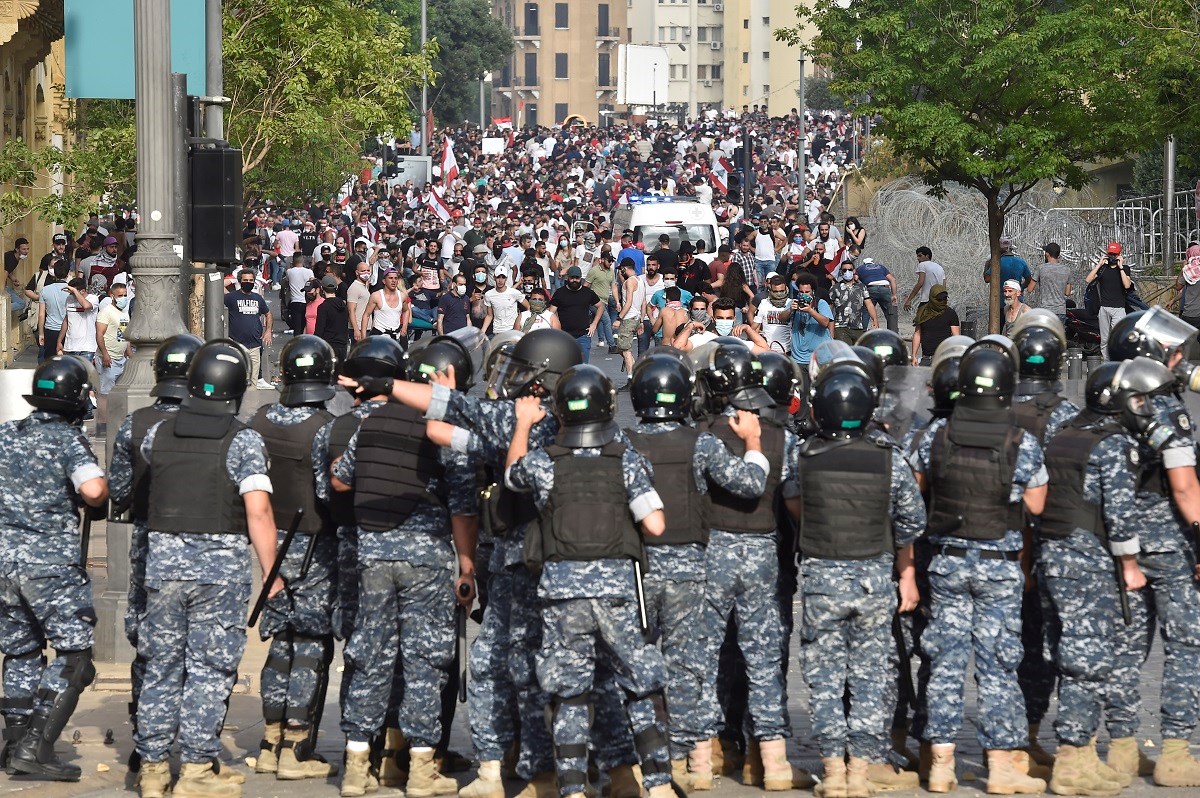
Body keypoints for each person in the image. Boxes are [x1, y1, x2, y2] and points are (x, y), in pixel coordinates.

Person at [506, 365, 676, 798]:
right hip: (618, 589)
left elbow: (512, 476)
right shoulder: (627, 461)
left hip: (562, 593)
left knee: (570, 693)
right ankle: (656, 786)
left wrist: (524, 425)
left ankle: (573, 789)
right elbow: (655, 524)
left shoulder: (545, 463)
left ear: (560, 411)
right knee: (639, 685)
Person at [132, 340, 283, 798]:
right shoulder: (244, 440)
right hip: (220, 574)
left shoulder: (155, 433)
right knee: (208, 669)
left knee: (160, 666)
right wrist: (272, 573)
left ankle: (154, 769)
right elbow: (258, 512)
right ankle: (197, 769)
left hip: (163, 568)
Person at [330, 346, 480, 798]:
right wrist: (467, 563)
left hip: (373, 555)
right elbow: (462, 503)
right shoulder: (442, 430)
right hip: (426, 561)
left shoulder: (370, 424)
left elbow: (340, 479)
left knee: (370, 656)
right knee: (424, 662)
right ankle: (419, 768)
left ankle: (357, 766)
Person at [907, 341, 1048, 795]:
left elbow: (913, 494)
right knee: (999, 667)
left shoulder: (937, 434)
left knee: (944, 664)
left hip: (946, 563)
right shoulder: (1018, 439)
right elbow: (1037, 502)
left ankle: (942, 766)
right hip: (998, 564)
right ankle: (1002, 768)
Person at [624, 354, 770, 789]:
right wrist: (756, 443)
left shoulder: (624, 442)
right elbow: (749, 484)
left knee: (634, 665)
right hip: (688, 568)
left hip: (638, 567)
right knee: (688, 666)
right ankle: (696, 763)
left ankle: (640, 759)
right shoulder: (700, 442)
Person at [788, 364, 925, 798]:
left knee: (825, 679)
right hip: (873, 580)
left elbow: (793, 502)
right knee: (869, 679)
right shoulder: (890, 458)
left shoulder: (803, 456)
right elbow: (911, 522)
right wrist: (906, 574)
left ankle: (832, 772)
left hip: (822, 580)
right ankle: (861, 773)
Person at [692, 342, 813, 791]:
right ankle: (770, 763)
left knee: (711, 655)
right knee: (765, 659)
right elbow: (796, 505)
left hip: (714, 553)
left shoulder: (704, 437)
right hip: (767, 555)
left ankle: (709, 755)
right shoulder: (788, 441)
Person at [1103, 311, 1200, 786]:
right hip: (1170, 545)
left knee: (1128, 646)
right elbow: (1184, 488)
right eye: (1175, 352)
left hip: (1121, 541)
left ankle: (1122, 749)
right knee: (1185, 645)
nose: (1181, 359)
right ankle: (1176, 752)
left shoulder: (1110, 404)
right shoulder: (1165, 408)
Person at [0, 357, 107, 782]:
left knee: (21, 651)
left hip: (5, 561)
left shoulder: (6, 434)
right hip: (50, 566)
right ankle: (36, 748)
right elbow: (94, 490)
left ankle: (14, 744)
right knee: (74, 657)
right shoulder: (66, 440)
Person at [1037, 362, 1140, 796]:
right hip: (1088, 560)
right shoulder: (1111, 444)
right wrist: (1131, 567)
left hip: (1053, 554)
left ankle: (1079, 755)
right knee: (1087, 660)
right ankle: (1072, 761)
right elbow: (1119, 515)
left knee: (1067, 653)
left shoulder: (1064, 435)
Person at [108, 334, 204, 774]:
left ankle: (146, 739)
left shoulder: (136, 423)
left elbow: (119, 494)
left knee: (150, 643)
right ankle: (194, 742)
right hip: (205, 545)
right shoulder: (209, 421)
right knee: (201, 649)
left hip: (151, 542)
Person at [249, 336, 340, 783]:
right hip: (313, 546)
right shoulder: (325, 426)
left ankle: (268, 741)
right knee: (309, 644)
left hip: (270, 543)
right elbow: (329, 492)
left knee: (279, 642)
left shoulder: (259, 420)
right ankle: (295, 746)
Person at [225, 270, 274, 389]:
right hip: (236, 345)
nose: (248, 283)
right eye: (245, 280)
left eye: (251, 280)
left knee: (253, 383)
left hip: (254, 346)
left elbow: (268, 314)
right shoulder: (231, 297)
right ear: (240, 281)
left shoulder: (258, 298)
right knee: (236, 380)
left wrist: (268, 331)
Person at [94, 280, 132, 428]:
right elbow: (99, 334)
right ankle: (103, 425)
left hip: (121, 359)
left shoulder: (124, 313)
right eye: (120, 295)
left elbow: (125, 335)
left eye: (125, 295)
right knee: (104, 393)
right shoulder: (106, 312)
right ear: (112, 296)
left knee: (119, 394)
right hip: (107, 359)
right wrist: (105, 354)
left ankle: (117, 423)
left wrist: (129, 355)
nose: (123, 298)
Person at [1087, 243, 1132, 357]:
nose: (1112, 257)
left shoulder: (1125, 269)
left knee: (1117, 337)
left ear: (1119, 255)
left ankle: (1117, 360)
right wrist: (1099, 264)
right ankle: (1107, 361)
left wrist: (1121, 266)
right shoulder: (1103, 269)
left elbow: (1127, 285)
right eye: (1110, 254)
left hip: (1119, 309)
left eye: (1115, 255)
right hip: (1104, 308)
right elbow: (1088, 279)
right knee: (1105, 339)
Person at [550, 266, 603, 362]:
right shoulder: (560, 293)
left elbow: (600, 306)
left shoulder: (587, 293)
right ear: (567, 277)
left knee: (583, 368)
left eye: (577, 278)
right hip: (564, 336)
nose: (574, 280)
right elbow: (550, 313)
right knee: (565, 366)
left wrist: (594, 324)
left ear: (581, 278)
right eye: (572, 277)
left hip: (583, 336)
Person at [788, 273, 834, 365]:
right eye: (801, 292)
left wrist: (810, 310)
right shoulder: (794, 302)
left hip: (820, 358)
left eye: (807, 292)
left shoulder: (820, 303)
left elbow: (825, 323)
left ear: (812, 291)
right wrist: (790, 310)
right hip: (799, 358)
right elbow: (781, 318)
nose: (804, 295)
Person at [829, 260, 878, 345]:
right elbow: (829, 308)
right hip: (840, 327)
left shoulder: (861, 287)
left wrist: (875, 320)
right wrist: (830, 328)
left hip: (858, 326)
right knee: (846, 352)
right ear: (841, 272)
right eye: (844, 270)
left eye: (850, 269)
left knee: (859, 352)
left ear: (854, 271)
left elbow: (869, 304)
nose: (847, 272)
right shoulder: (835, 288)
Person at [910, 285, 960, 365]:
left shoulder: (950, 313)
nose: (943, 301)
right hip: (926, 358)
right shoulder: (923, 312)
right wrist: (913, 356)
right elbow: (917, 334)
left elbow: (956, 337)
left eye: (945, 299)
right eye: (940, 299)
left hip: (944, 358)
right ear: (933, 298)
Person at [362, 269, 411, 343]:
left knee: (403, 354)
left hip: (396, 335)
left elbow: (406, 310)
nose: (393, 281)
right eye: (390, 278)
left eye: (396, 278)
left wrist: (404, 327)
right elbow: (366, 315)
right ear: (384, 281)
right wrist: (363, 337)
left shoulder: (402, 296)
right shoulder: (376, 296)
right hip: (379, 335)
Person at [37, 260, 72, 363]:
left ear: (54, 272)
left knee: (50, 362)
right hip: (69, 330)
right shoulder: (72, 291)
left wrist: (41, 334)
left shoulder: (45, 290)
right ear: (68, 272)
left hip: (50, 329)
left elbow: (41, 314)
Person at [752, 272, 795, 354]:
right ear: (770, 290)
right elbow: (754, 326)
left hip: (787, 351)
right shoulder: (764, 303)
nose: (779, 294)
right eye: (776, 291)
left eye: (782, 291)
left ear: (786, 288)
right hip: (768, 350)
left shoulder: (791, 304)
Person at [855, 257, 898, 333]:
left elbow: (855, 278)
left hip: (871, 288)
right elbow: (893, 280)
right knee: (890, 312)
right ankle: (893, 333)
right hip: (885, 288)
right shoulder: (881, 267)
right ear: (873, 263)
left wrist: (861, 286)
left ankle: (862, 332)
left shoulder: (860, 268)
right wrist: (894, 294)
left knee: (867, 311)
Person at [1033, 243, 1072, 324]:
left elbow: (1030, 289)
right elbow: (1067, 293)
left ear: (1047, 254)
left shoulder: (1041, 268)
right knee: (1057, 336)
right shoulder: (1067, 269)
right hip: (1061, 311)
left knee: (1045, 335)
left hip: (1045, 310)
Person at [315, 274, 351, 359]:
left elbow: (319, 329)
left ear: (322, 289)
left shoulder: (323, 307)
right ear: (336, 288)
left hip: (328, 345)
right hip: (342, 344)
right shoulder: (343, 305)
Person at [903, 247, 946, 314]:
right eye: (917, 256)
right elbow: (944, 286)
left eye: (920, 256)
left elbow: (920, 283)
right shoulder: (940, 267)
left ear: (927, 256)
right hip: (940, 301)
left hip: (927, 300)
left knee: (919, 321)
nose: (918, 258)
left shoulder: (922, 265)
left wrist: (909, 300)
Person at [286, 257, 316, 336]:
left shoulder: (289, 271)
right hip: (306, 301)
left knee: (297, 327)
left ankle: (297, 343)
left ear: (293, 262)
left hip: (295, 301)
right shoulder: (309, 272)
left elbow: (287, 281)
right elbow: (313, 283)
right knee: (306, 324)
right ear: (303, 261)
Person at [347, 260, 373, 343]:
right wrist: (356, 329)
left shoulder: (364, 286)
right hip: (359, 328)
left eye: (368, 270)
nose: (366, 273)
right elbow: (351, 310)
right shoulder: (354, 288)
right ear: (357, 272)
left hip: (365, 327)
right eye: (363, 271)